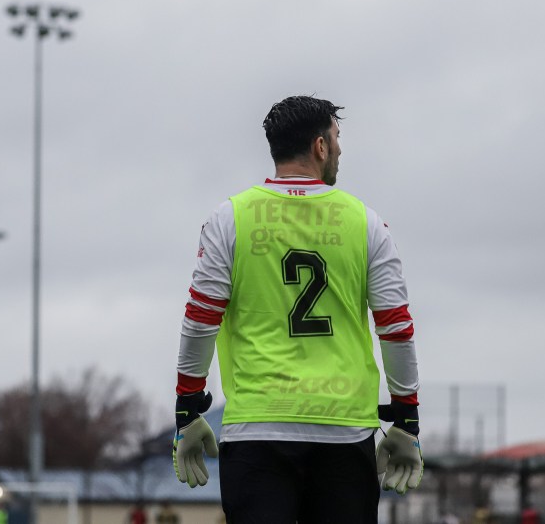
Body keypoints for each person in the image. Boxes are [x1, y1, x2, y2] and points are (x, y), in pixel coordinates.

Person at [171, 96, 424, 523]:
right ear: (320, 147)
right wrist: (407, 417)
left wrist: (188, 407)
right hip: (345, 430)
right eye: (337, 138)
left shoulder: (229, 218)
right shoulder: (366, 222)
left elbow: (200, 319)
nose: (340, 149)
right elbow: (396, 328)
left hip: (257, 429)